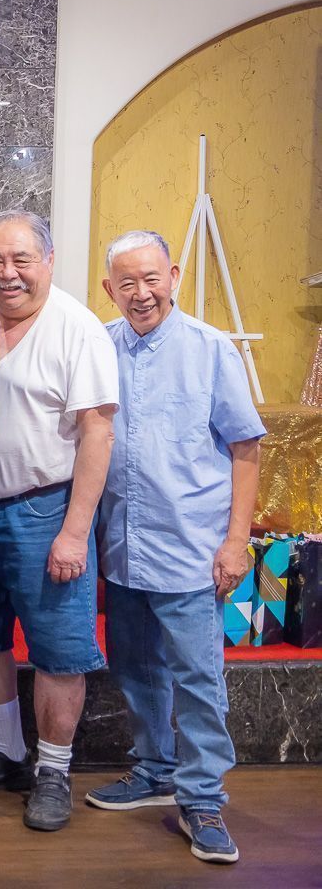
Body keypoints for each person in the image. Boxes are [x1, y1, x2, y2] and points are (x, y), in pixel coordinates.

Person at [89, 230, 263, 864]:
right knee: (135, 668)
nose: (141, 293)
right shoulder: (99, 346)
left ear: (175, 277)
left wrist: (237, 541)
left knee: (197, 678)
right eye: (127, 283)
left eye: (152, 278)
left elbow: (245, 448)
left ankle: (203, 798)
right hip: (123, 546)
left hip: (191, 547)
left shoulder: (211, 349)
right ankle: (155, 768)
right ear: (109, 289)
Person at [0, 210, 119, 833]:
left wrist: (75, 532)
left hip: (45, 510)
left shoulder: (78, 329)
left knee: (58, 648)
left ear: (48, 261)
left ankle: (53, 771)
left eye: (22, 259)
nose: (8, 273)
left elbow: (98, 435)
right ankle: (4, 753)